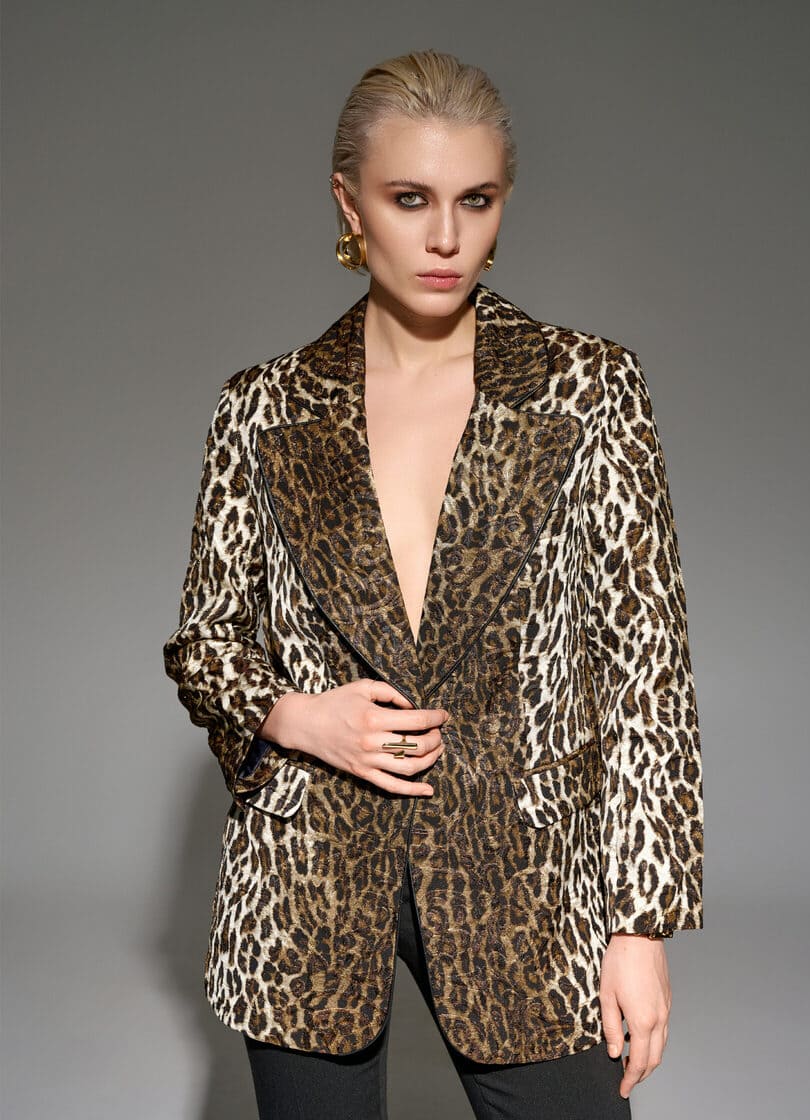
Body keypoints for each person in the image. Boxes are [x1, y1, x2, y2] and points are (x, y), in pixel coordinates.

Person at [163, 48, 703, 1120]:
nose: (447, 237)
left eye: (476, 199)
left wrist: (639, 926)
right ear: (349, 203)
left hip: (524, 875)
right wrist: (298, 716)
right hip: (308, 875)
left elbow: (646, 666)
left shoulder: (589, 388)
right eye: (409, 199)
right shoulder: (263, 407)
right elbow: (206, 641)